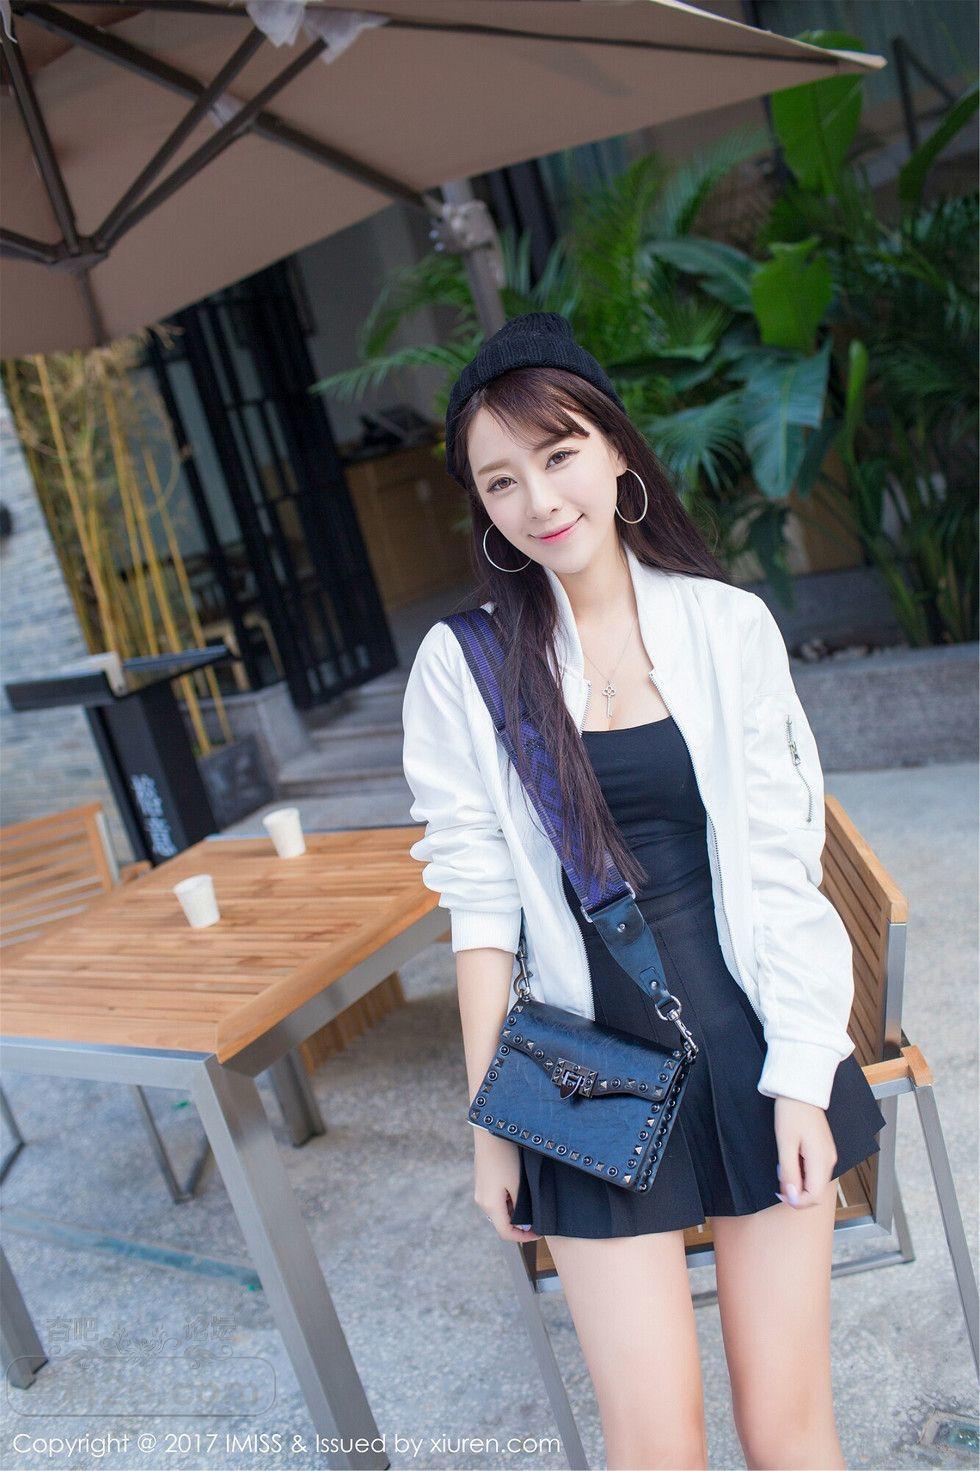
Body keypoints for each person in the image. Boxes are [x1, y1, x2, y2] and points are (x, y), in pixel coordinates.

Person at [401, 312, 886, 1471]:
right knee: (653, 1444)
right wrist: (490, 1131)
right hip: (581, 1076)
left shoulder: (724, 626)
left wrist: (801, 1076)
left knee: (788, 1428)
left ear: (615, 448)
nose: (537, 499)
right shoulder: (466, 667)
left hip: (753, 1048)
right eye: (499, 480)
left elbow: (782, 867)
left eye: (557, 453)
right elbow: (481, 913)